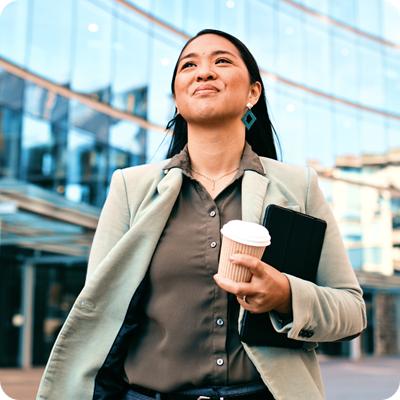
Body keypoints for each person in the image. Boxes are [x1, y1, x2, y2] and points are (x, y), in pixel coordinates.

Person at [37, 29, 367, 400]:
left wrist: (285, 295)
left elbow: (352, 312)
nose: (204, 72)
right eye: (189, 65)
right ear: (177, 98)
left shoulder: (299, 186)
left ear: (253, 94)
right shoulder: (130, 187)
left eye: (222, 61)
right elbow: (97, 314)